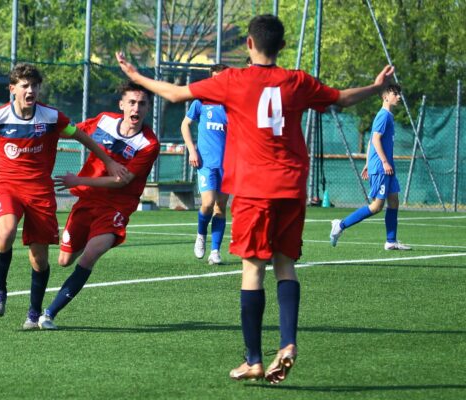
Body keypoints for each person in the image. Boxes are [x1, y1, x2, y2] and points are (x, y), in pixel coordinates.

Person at [116, 14, 394, 384]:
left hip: (252, 190)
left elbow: (174, 93)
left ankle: (253, 359)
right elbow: (342, 98)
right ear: (280, 47)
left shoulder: (231, 81)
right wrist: (377, 87)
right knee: (285, 266)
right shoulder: (297, 81)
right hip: (291, 189)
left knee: (252, 270)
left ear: (248, 44)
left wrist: (136, 78)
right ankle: (288, 342)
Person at [0, 63, 128, 330]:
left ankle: (34, 313)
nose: (30, 90)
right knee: (7, 231)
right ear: (13, 89)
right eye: (24, 85)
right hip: (6, 185)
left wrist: (109, 161)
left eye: (34, 85)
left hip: (39, 192)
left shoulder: (51, 117)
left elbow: (82, 136)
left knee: (40, 259)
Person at [37, 81, 159, 330]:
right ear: (122, 104)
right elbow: (73, 131)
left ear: (148, 109)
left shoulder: (148, 144)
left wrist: (77, 179)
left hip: (116, 207)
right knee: (63, 260)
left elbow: (121, 181)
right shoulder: (104, 120)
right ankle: (86, 242)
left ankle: (49, 314)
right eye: (132, 102)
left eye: (143, 103)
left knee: (91, 254)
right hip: (87, 201)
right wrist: (41, 131)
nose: (137, 108)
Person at [330, 84, 411, 250]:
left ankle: (391, 241)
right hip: (383, 167)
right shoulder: (383, 116)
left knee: (394, 201)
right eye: (396, 94)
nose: (399, 97)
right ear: (386, 96)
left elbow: (370, 142)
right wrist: (384, 162)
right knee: (376, 207)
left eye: (399, 94)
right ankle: (340, 225)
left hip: (384, 166)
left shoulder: (388, 116)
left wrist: (368, 162)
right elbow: (375, 140)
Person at [180, 64, 229, 265]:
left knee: (221, 207)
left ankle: (215, 251)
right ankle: (201, 235)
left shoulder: (234, 104)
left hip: (228, 164)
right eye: (215, 78)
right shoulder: (201, 101)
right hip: (206, 162)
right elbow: (185, 125)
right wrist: (192, 150)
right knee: (208, 203)